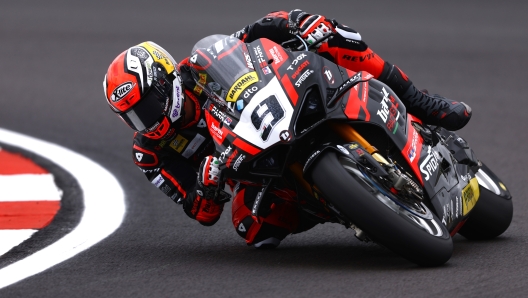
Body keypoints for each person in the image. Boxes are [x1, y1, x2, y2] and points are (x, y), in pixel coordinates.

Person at [103, 9, 472, 248]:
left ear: (167, 80)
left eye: (148, 106)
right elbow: (199, 212)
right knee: (253, 229)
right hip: (254, 170)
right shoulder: (148, 153)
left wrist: (298, 22)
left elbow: (257, 31)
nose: (147, 121)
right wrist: (206, 184)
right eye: (134, 116)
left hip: (282, 107)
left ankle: (421, 102)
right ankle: (342, 202)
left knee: (332, 37)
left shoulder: (198, 67)